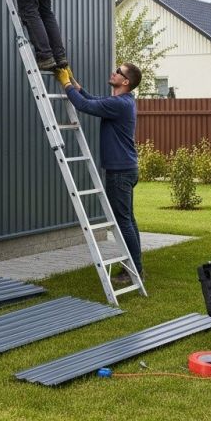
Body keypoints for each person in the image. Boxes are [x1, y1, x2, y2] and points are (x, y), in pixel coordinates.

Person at [57, 62, 144, 284]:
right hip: (126, 169)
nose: (113, 72)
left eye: (118, 72)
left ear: (125, 82)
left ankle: (132, 272)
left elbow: (85, 106)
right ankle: (135, 268)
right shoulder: (121, 102)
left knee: (123, 222)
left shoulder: (120, 104)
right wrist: (77, 86)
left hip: (120, 173)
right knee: (128, 221)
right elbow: (93, 100)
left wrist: (65, 84)